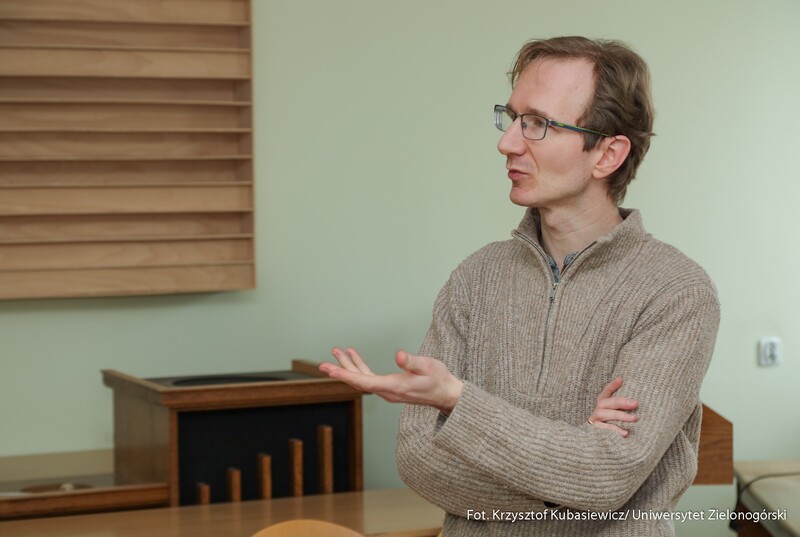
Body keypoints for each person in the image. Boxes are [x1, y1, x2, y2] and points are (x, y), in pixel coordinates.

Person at [320, 36, 720, 536]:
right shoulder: (475, 278)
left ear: (607, 153)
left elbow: (608, 474)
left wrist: (458, 403)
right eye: (511, 118)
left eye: (538, 124)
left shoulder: (676, 292)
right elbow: (419, 458)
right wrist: (571, 474)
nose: (507, 142)